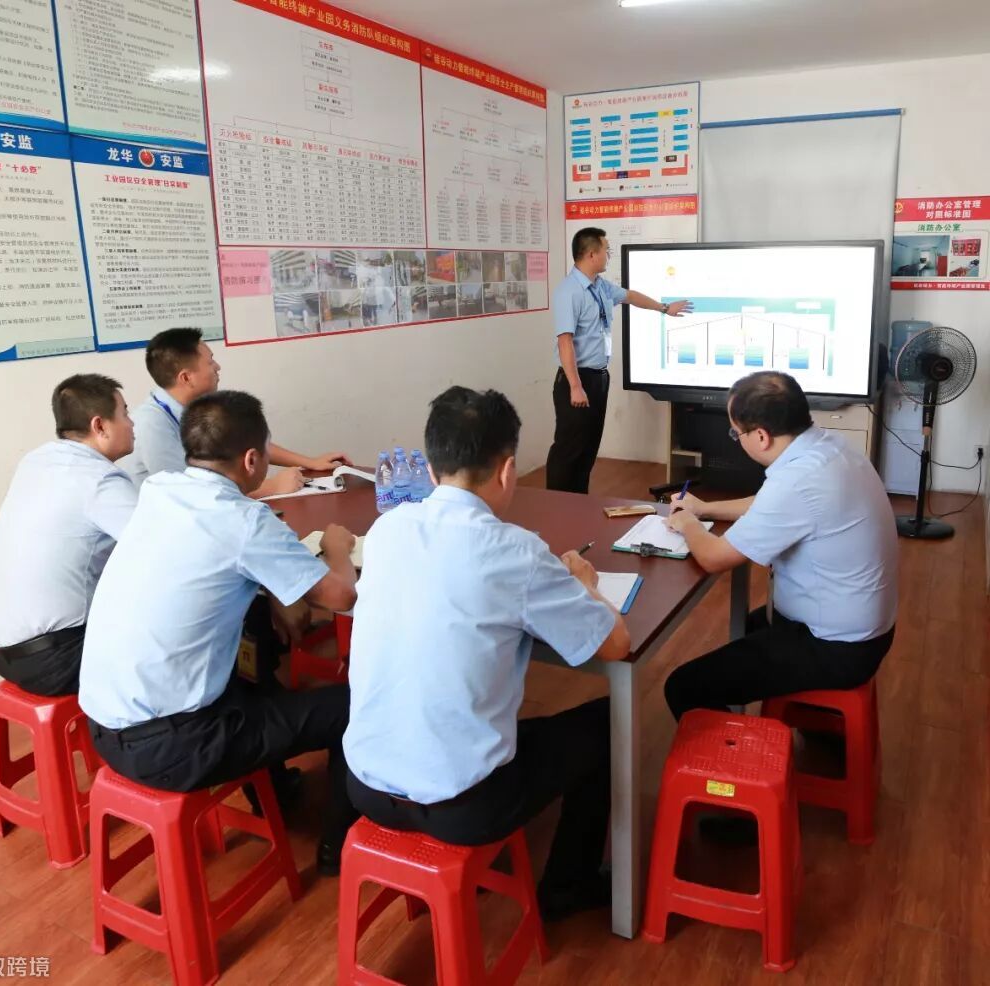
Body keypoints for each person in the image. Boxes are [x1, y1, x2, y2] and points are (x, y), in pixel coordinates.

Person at [344, 386, 633, 921]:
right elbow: (615, 644)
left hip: (364, 786)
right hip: (463, 807)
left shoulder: (387, 530)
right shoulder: (516, 551)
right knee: (607, 725)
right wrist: (586, 586)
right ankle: (568, 885)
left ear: (432, 468)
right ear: (507, 470)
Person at [79, 390, 360, 873]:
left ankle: (277, 793)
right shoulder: (243, 522)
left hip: (104, 727)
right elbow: (340, 597)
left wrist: (279, 598)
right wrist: (336, 548)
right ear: (252, 460)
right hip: (176, 744)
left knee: (257, 657)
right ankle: (339, 848)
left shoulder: (160, 491)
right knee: (351, 705)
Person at [663, 371, 898, 720]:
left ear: (761, 436)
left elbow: (713, 557)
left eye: (736, 432)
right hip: (863, 628)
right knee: (745, 628)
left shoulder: (798, 481)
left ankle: (743, 753)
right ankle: (810, 725)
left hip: (837, 647)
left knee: (683, 686)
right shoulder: (828, 447)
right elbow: (768, 504)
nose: (736, 439)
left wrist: (687, 524)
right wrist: (705, 508)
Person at [0, 374, 136, 696]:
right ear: (100, 426)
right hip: (56, 660)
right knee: (184, 627)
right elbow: (164, 549)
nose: (132, 423)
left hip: (1, 652)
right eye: (125, 413)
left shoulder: (37, 461)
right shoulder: (99, 480)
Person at [119, 327, 352, 496]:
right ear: (186, 378)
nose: (217, 367)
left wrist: (310, 461)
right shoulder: (151, 425)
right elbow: (192, 496)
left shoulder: (197, 407)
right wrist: (271, 487)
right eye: (210, 362)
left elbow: (248, 441)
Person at [546, 227, 691, 494]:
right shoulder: (569, 291)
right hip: (576, 378)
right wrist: (575, 386)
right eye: (606, 250)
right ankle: (557, 504)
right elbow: (565, 341)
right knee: (569, 448)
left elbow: (630, 296)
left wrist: (664, 308)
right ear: (592, 254)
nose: (609, 255)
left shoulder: (600, 286)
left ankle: (578, 502)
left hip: (598, 378)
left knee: (588, 447)